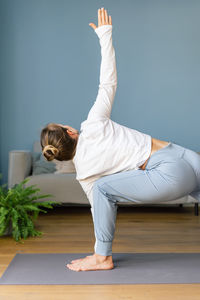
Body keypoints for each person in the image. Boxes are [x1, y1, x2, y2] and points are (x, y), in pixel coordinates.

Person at [40, 8, 200, 272]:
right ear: (70, 132)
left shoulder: (85, 174)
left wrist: (99, 246)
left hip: (170, 175)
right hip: (180, 156)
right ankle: (101, 257)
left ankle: (102, 257)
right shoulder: (93, 124)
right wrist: (105, 35)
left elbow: (99, 212)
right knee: (104, 190)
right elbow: (108, 83)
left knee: (102, 191)